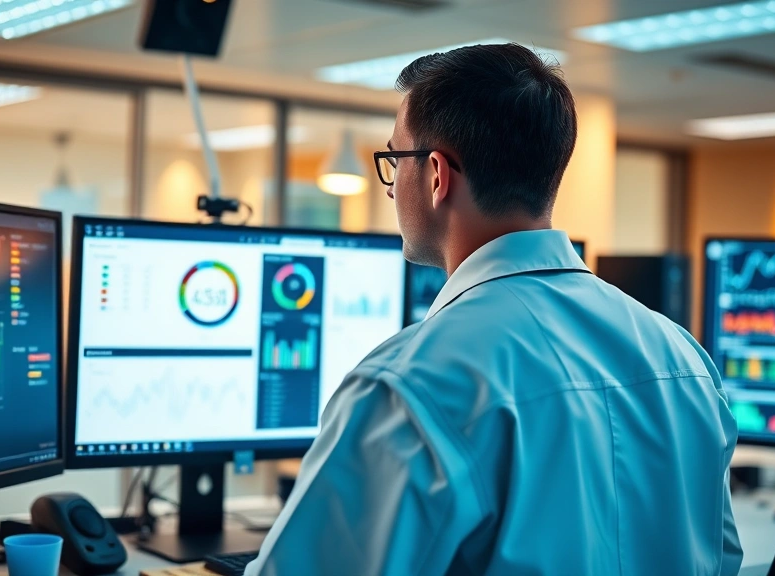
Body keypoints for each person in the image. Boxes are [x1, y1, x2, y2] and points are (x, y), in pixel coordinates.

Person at [246, 43, 742, 576]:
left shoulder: (407, 386)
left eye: (394, 160)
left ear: (437, 175)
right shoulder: (684, 358)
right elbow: (723, 558)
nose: (391, 191)